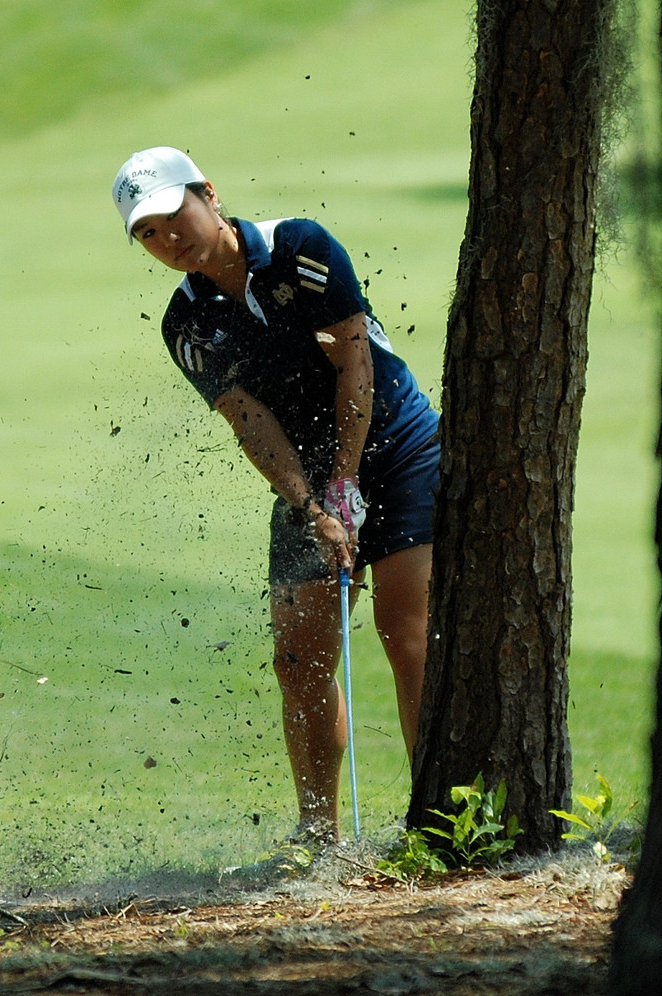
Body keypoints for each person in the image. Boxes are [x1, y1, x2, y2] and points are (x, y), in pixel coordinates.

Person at [112, 146, 440, 844]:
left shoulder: (301, 248)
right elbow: (250, 422)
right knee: (299, 656)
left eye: (174, 216)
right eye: (147, 233)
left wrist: (347, 484)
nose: (168, 239)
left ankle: (437, 821)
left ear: (207, 193)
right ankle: (316, 835)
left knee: (407, 635)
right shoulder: (188, 323)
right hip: (309, 478)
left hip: (399, 445)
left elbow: (353, 361)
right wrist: (312, 507)